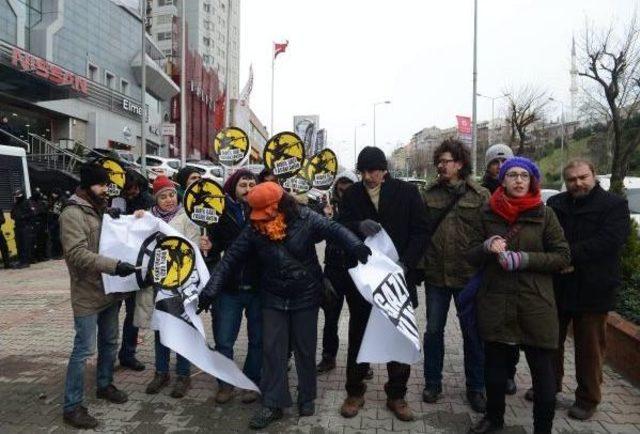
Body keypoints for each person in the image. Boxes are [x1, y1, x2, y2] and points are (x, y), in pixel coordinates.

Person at [198, 182, 370, 430]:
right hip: (273, 295)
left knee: (305, 348)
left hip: (306, 294)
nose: (259, 217)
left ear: (280, 204)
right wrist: (210, 291)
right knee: (273, 351)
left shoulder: (306, 217)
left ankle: (307, 396)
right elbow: (232, 258)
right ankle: (273, 403)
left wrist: (356, 245)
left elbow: (334, 229)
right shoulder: (255, 227)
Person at [466, 156, 571, 434]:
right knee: (495, 369)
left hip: (535, 302)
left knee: (542, 372)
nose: (519, 180)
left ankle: (542, 428)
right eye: (512, 175)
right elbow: (470, 255)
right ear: (503, 180)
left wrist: (524, 259)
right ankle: (494, 419)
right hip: (496, 300)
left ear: (532, 181)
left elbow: (562, 257)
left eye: (524, 176)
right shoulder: (488, 212)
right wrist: (486, 246)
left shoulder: (544, 214)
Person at [338, 146, 428, 421]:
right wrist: (357, 226)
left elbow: (421, 231)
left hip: (397, 279)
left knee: (397, 332)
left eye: (373, 171)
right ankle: (354, 391)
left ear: (384, 170)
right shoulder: (352, 194)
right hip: (365, 281)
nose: (368, 176)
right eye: (363, 171)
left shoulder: (407, 192)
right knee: (359, 334)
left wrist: (407, 263)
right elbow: (339, 226)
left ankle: (397, 395)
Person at [547, 159, 630, 421]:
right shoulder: (555, 203)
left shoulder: (614, 205)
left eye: (583, 177)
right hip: (559, 286)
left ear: (594, 175)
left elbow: (609, 241)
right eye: (572, 179)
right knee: (551, 343)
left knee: (590, 349)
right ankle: (550, 388)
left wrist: (566, 257)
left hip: (594, 288)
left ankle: (587, 398)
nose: (578, 183)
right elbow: (547, 236)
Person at [60, 163, 138, 429]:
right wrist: (115, 265)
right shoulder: (72, 214)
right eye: (102, 185)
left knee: (110, 342)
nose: (107, 190)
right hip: (86, 292)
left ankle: (105, 385)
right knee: (83, 350)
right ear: (87, 186)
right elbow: (76, 254)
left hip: (107, 290)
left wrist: (117, 216)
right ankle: (72, 406)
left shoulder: (97, 208)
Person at [421, 139, 489, 413]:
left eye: (445, 161)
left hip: (468, 277)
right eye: (438, 161)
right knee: (434, 331)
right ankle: (432, 383)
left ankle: (476, 387)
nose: (440, 165)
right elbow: (419, 230)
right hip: (436, 275)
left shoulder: (481, 195)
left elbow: (490, 234)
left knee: (472, 334)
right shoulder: (429, 194)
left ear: (460, 163)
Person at [134, 175, 211, 399]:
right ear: (155, 199)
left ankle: (183, 375)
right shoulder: (148, 219)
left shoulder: (186, 218)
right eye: (162, 196)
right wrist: (137, 217)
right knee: (160, 329)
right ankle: (161, 372)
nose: (168, 200)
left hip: (181, 283)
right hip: (157, 284)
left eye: (171, 195)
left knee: (183, 329)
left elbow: (193, 247)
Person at [208, 169, 262, 405]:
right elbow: (213, 249)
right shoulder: (219, 211)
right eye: (243, 184)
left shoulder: (264, 210)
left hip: (258, 287)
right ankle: (225, 384)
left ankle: (250, 382)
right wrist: (208, 246)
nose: (248, 189)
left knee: (258, 340)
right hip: (229, 288)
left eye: (252, 184)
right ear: (233, 187)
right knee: (223, 340)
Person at [481, 144, 519, 395]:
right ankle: (489, 374)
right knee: (488, 328)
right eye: (495, 162)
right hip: (487, 270)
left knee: (512, 330)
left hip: (515, 270)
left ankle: (509, 374)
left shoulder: (521, 194)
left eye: (504, 161)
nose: (499, 166)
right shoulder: (483, 194)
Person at [113, 170, 153, 373]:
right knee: (111, 312)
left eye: (135, 190)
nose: (132, 194)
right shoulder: (113, 199)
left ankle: (128, 354)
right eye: (128, 191)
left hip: (136, 265)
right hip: (114, 264)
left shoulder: (147, 200)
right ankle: (108, 356)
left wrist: (144, 216)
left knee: (132, 313)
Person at [317, 172, 357, 373]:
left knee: (359, 318)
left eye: (349, 184)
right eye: (341, 183)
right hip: (333, 269)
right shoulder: (327, 207)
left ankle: (360, 361)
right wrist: (324, 216)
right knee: (331, 317)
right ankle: (328, 356)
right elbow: (317, 234)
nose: (345, 187)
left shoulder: (361, 205)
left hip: (356, 270)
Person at [11, 188, 36, 268]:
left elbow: (32, 213)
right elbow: (12, 214)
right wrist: (15, 216)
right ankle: (21, 261)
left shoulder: (27, 202)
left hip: (25, 226)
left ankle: (25, 262)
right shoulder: (15, 204)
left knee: (25, 244)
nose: (16, 197)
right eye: (15, 196)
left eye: (17, 195)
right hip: (17, 227)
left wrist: (22, 217)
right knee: (19, 245)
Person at [30, 188, 49, 262]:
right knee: (34, 242)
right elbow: (32, 213)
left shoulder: (41, 202)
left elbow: (44, 213)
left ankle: (41, 256)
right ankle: (34, 257)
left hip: (41, 224)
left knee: (41, 241)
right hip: (33, 224)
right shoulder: (29, 202)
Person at [47, 188, 66, 259]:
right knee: (54, 239)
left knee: (59, 238)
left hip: (60, 221)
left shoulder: (63, 200)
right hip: (53, 222)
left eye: (54, 193)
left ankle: (62, 253)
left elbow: (63, 210)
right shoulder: (53, 200)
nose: (53, 195)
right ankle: (56, 254)